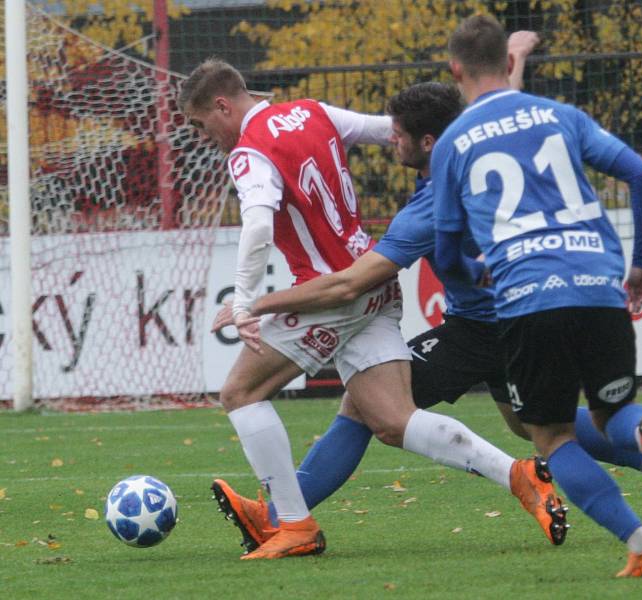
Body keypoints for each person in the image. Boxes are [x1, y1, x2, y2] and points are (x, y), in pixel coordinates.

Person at [210, 31, 642, 556]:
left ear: (427, 143)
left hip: (485, 325)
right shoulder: (496, 137)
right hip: (547, 301)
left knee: (369, 410)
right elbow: (511, 108)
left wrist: (256, 302)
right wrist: (513, 61)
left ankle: (285, 516)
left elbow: (352, 281)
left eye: (399, 136)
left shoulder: (430, 202)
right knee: (531, 422)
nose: (390, 142)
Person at [179, 57, 566, 560]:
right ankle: (518, 475)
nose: (201, 134)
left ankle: (293, 523)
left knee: (240, 392)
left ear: (222, 105)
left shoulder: (250, 152)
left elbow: (256, 225)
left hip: (331, 292)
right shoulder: (313, 112)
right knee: (390, 419)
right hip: (374, 280)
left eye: (199, 122)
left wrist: (245, 298)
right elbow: (395, 132)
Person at [431, 15, 642, 578]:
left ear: (454, 69)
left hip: (528, 298)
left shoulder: (452, 143)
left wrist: (474, 276)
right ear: (507, 62)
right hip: (598, 285)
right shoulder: (562, 116)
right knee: (615, 411)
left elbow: (445, 257)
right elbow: (640, 174)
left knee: (551, 436)